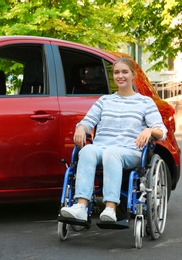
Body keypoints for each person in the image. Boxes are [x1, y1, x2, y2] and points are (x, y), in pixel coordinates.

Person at [60, 57, 168, 222]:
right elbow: (86, 122)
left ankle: (111, 208)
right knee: (87, 150)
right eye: (117, 72)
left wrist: (149, 130)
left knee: (112, 153)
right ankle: (81, 206)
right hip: (102, 147)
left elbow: (162, 132)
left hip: (130, 151)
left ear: (133, 75)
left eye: (125, 72)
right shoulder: (105, 100)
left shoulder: (145, 102)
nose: (120, 76)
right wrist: (80, 128)